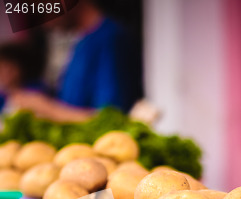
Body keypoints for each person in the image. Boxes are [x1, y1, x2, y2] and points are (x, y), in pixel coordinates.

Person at [9, 0, 142, 122]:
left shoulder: (111, 40)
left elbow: (111, 119)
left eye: (44, 10)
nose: (45, 25)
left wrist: (48, 109)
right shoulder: (82, 43)